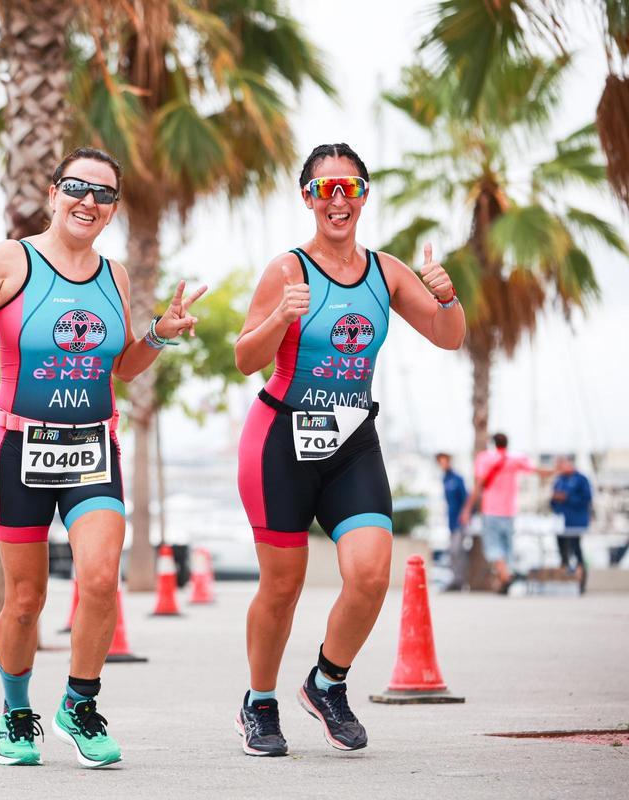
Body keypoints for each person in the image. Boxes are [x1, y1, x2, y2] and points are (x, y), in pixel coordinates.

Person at [0, 147, 205, 768]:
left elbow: (122, 367)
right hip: (21, 446)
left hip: (92, 448)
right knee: (25, 601)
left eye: (104, 194)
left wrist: (158, 333)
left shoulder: (116, 276)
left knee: (101, 578)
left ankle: (79, 702)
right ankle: (16, 713)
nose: (88, 201)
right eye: (77, 187)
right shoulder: (10, 261)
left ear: (112, 212)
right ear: (53, 193)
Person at [233, 143, 465, 756]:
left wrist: (446, 296)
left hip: (351, 441)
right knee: (281, 588)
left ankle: (326, 681)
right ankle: (259, 703)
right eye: (325, 188)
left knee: (369, 575)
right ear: (307, 197)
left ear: (364, 196)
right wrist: (280, 318)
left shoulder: (386, 272)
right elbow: (244, 360)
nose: (338, 199)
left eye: (350, 188)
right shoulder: (287, 270)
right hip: (280, 439)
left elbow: (448, 337)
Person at [460, 432, 549, 593]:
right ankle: (503, 579)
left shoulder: (485, 458)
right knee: (507, 548)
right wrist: (557, 470)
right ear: (507, 444)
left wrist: (467, 509)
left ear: (493, 444)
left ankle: (506, 576)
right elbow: (538, 471)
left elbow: (478, 486)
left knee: (493, 548)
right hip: (509, 512)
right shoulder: (515, 460)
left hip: (491, 511)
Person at [550, 455, 592, 587]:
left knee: (576, 547)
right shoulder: (559, 480)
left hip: (576, 521)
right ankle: (565, 572)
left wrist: (567, 497)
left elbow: (586, 499)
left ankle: (581, 575)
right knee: (562, 548)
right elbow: (553, 501)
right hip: (561, 522)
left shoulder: (581, 479)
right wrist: (555, 499)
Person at [436, 453, 470, 591]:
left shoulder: (457, 478)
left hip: (459, 520)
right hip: (451, 521)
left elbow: (466, 499)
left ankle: (460, 581)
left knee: (457, 551)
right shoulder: (444, 479)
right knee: (453, 552)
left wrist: (465, 515)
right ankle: (456, 579)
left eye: (444, 461)